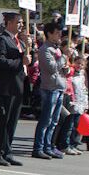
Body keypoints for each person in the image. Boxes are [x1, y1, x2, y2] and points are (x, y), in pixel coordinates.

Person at [0, 13, 31, 166]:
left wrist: (28, 48)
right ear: (9, 23)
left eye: (22, 22)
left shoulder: (19, 41)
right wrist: (20, 61)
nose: (21, 25)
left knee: (12, 122)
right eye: (18, 22)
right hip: (6, 87)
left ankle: (7, 150)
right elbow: (1, 62)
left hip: (17, 86)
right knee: (2, 121)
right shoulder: (1, 40)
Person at [35, 21, 68, 160]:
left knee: (54, 120)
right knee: (46, 120)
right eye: (57, 32)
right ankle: (38, 147)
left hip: (59, 86)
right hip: (50, 88)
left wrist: (65, 67)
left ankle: (48, 146)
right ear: (49, 33)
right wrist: (64, 57)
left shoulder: (56, 49)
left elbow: (60, 68)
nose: (59, 35)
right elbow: (51, 67)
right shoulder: (45, 49)